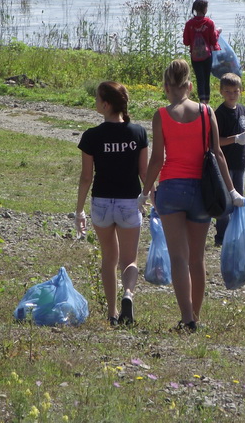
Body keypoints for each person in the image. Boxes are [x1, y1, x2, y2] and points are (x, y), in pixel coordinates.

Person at [139, 59, 244, 331]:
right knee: (197, 259)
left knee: (178, 258)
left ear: (166, 87)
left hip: (171, 191)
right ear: (188, 85)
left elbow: (157, 159)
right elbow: (218, 153)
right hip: (201, 191)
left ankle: (186, 319)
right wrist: (232, 190)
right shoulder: (207, 111)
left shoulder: (161, 115)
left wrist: (143, 192)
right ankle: (195, 316)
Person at [74, 81, 148, 327]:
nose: (95, 102)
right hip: (129, 203)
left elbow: (86, 177)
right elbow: (144, 172)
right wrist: (149, 198)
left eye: (97, 99)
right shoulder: (138, 133)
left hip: (102, 203)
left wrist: (79, 210)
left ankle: (112, 313)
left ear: (105, 105)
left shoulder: (91, 136)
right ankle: (128, 293)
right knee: (130, 261)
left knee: (109, 258)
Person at [213, 72, 245, 246]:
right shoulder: (219, 113)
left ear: (240, 91)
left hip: (240, 164)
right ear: (221, 92)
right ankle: (221, 237)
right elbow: (216, 141)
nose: (232, 95)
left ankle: (236, 234)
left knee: (239, 199)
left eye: (235, 91)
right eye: (228, 91)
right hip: (225, 165)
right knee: (226, 201)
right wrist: (234, 139)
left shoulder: (243, 111)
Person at [182, 0, 220, 105]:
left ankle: (201, 100)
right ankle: (206, 101)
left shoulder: (189, 24)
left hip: (195, 56)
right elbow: (213, 40)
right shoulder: (209, 23)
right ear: (204, 9)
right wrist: (217, 32)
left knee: (199, 78)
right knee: (206, 77)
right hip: (207, 56)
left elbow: (186, 42)